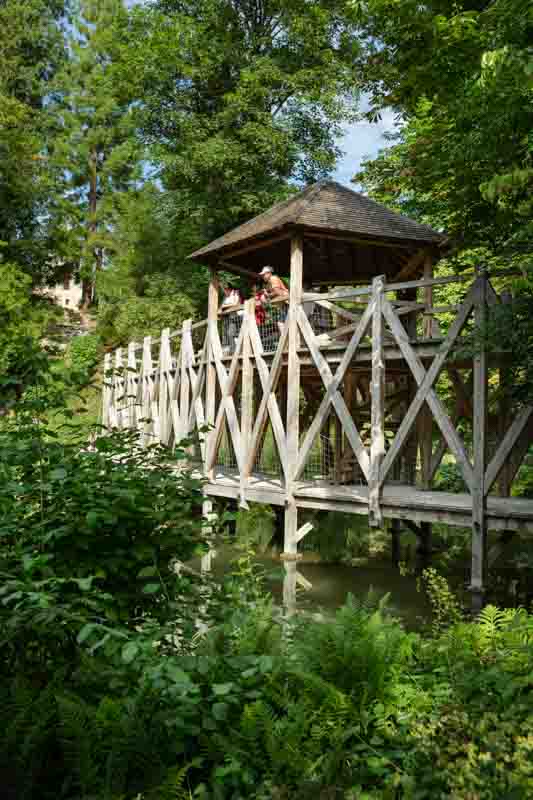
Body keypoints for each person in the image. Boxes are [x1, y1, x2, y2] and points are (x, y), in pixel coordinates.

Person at [259, 266, 289, 333]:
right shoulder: (269, 283)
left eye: (264, 274)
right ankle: (288, 340)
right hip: (284, 305)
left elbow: (277, 291)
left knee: (281, 323)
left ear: (269, 273)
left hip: (287, 303)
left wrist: (267, 295)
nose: (263, 276)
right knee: (282, 323)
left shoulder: (273, 278)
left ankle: (288, 341)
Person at [220, 283, 243, 351]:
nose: (225, 292)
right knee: (226, 334)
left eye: (226, 290)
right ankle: (229, 350)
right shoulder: (225, 297)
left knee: (231, 334)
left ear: (229, 289)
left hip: (236, 317)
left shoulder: (235, 294)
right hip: (227, 318)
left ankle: (234, 351)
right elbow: (222, 306)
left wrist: (225, 306)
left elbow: (235, 303)